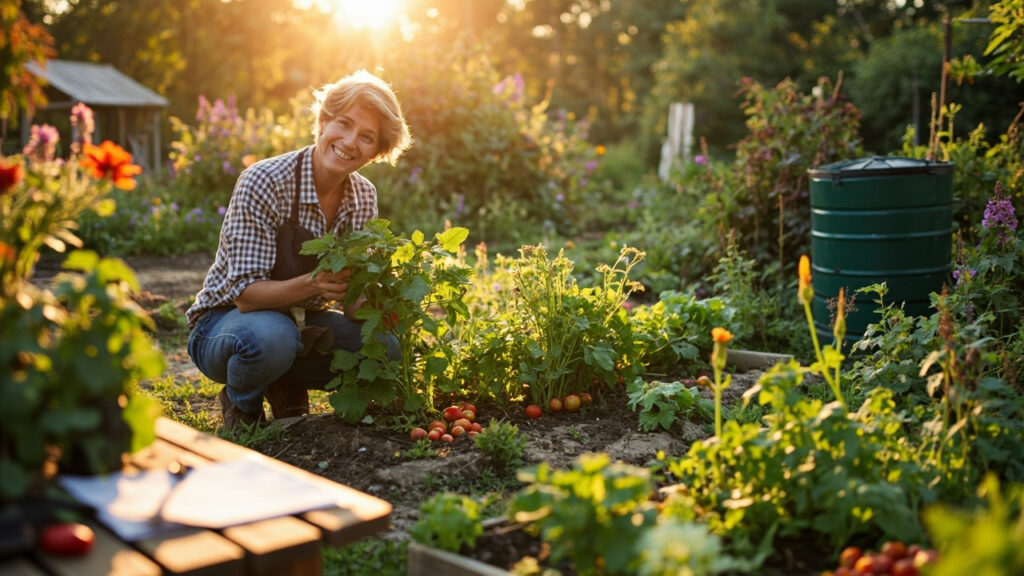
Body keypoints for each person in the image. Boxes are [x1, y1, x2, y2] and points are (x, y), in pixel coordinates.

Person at [185, 70, 412, 430]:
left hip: (301, 325)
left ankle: (283, 380)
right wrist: (315, 283)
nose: (350, 142)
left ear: (376, 153)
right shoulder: (265, 180)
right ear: (323, 122)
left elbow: (353, 302)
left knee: (387, 348)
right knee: (273, 336)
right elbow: (245, 295)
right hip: (225, 324)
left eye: (367, 137)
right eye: (344, 124)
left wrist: (390, 303)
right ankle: (241, 402)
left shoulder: (363, 196)